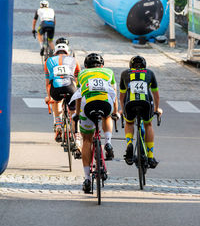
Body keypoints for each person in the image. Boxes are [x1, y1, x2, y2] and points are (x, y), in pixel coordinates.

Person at [70, 53, 119, 193]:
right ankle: (108, 142)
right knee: (107, 117)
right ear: (102, 66)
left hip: (88, 107)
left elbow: (79, 96)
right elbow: (113, 94)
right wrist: (115, 112)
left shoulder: (82, 74)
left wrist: (77, 114)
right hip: (105, 104)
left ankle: (87, 178)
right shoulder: (109, 72)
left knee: (87, 140)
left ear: (86, 66)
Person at [119, 55, 162, 169]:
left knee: (129, 122)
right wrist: (157, 109)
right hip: (145, 103)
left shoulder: (125, 74)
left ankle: (129, 144)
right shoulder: (150, 73)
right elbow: (156, 95)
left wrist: (123, 110)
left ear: (130, 66)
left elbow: (122, 97)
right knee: (148, 124)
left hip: (130, 104)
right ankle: (150, 156)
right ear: (144, 66)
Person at [44, 43, 81, 146]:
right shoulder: (74, 60)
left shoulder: (48, 61)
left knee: (56, 100)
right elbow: (79, 79)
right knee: (73, 112)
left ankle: (58, 123)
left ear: (55, 52)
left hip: (55, 88)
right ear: (67, 52)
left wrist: (49, 96)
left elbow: (48, 83)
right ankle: (77, 137)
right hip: (70, 87)